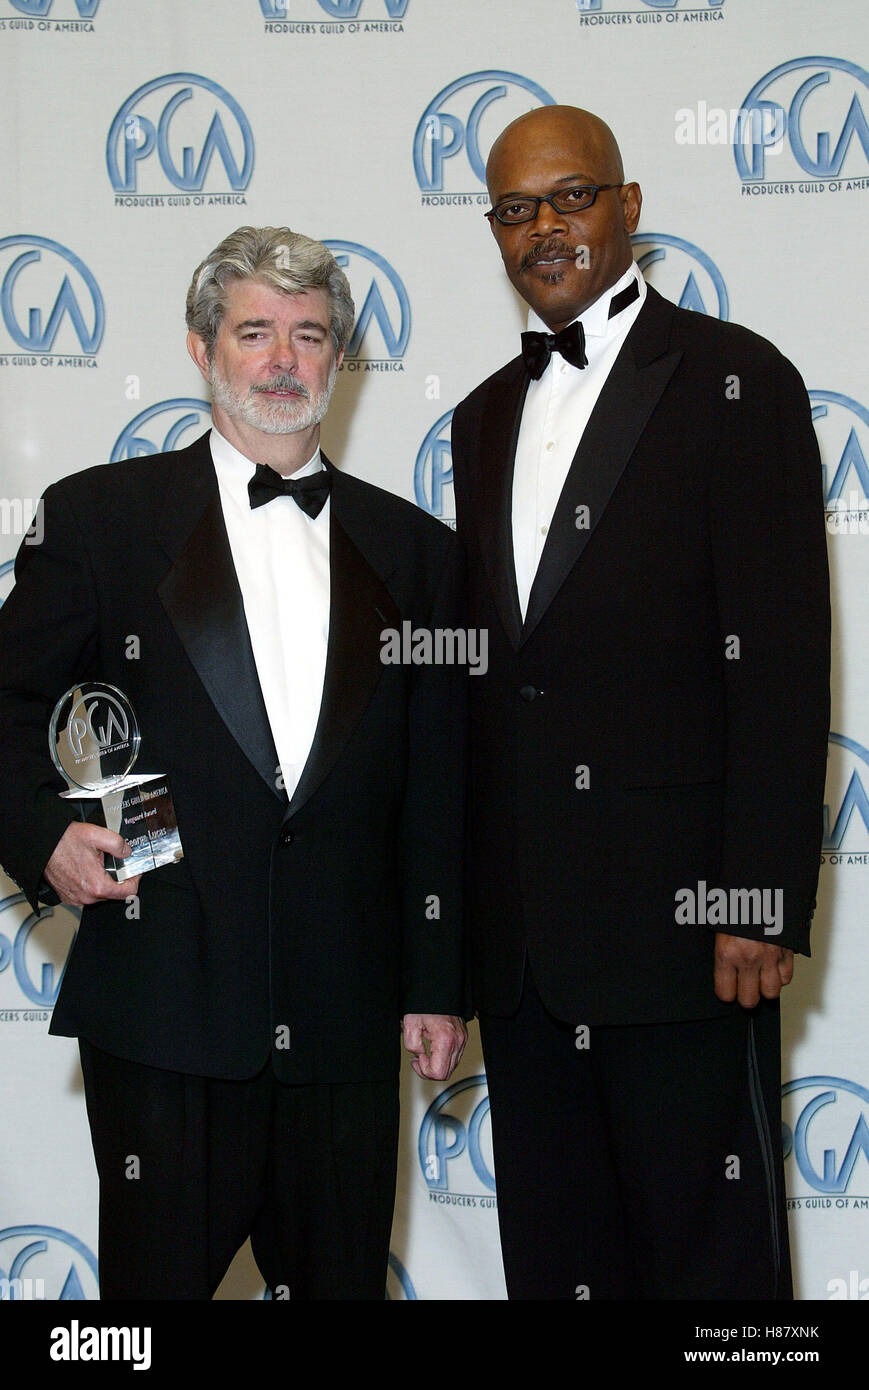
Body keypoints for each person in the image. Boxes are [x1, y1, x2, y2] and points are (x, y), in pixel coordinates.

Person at [0, 225, 467, 1300]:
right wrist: (42, 832)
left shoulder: (417, 554)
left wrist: (434, 982)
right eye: (253, 331)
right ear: (201, 349)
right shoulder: (100, 521)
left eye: (308, 335)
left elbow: (436, 785)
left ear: (339, 361)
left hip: (345, 1026)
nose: (281, 360)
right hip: (163, 1008)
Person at [450, 107, 830, 1300]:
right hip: (524, 950)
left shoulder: (736, 377)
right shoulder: (479, 417)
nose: (543, 228)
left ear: (626, 203)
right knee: (558, 1267)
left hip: (686, 935)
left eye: (569, 197)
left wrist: (755, 894)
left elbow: (777, 658)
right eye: (516, 210)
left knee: (709, 1272)